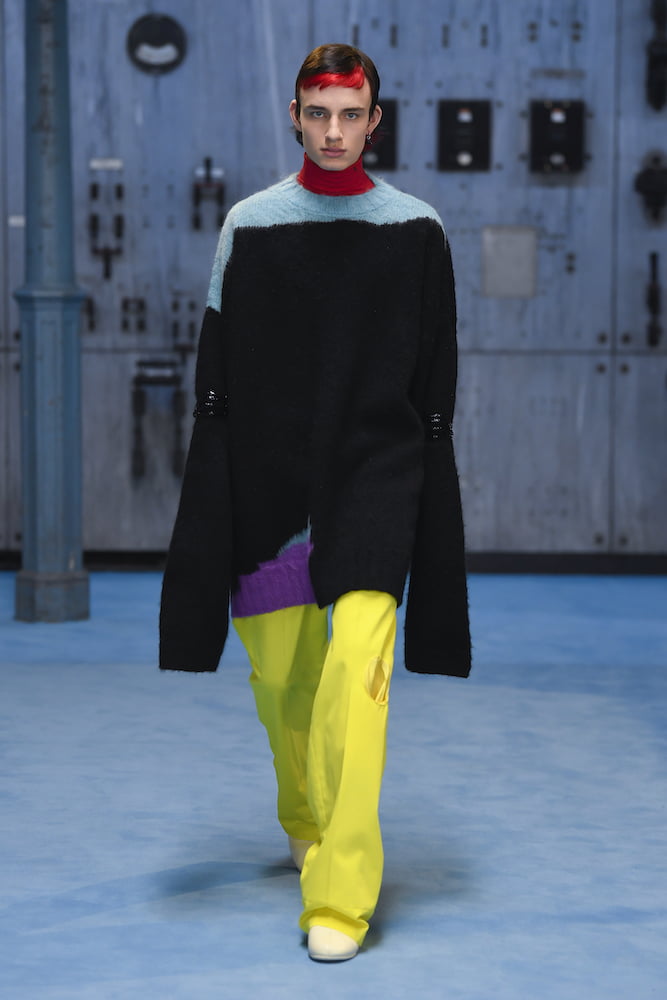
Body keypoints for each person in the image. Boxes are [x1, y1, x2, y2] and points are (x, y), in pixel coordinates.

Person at [160, 43, 471, 962]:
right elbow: (215, 378)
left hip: (375, 475)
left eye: (351, 115)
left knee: (356, 676)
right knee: (283, 687)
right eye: (318, 114)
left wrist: (427, 488)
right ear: (295, 117)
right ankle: (304, 815)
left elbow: (435, 377)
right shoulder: (249, 226)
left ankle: (340, 892)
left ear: (374, 121)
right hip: (268, 489)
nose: (334, 131)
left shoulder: (416, 230)